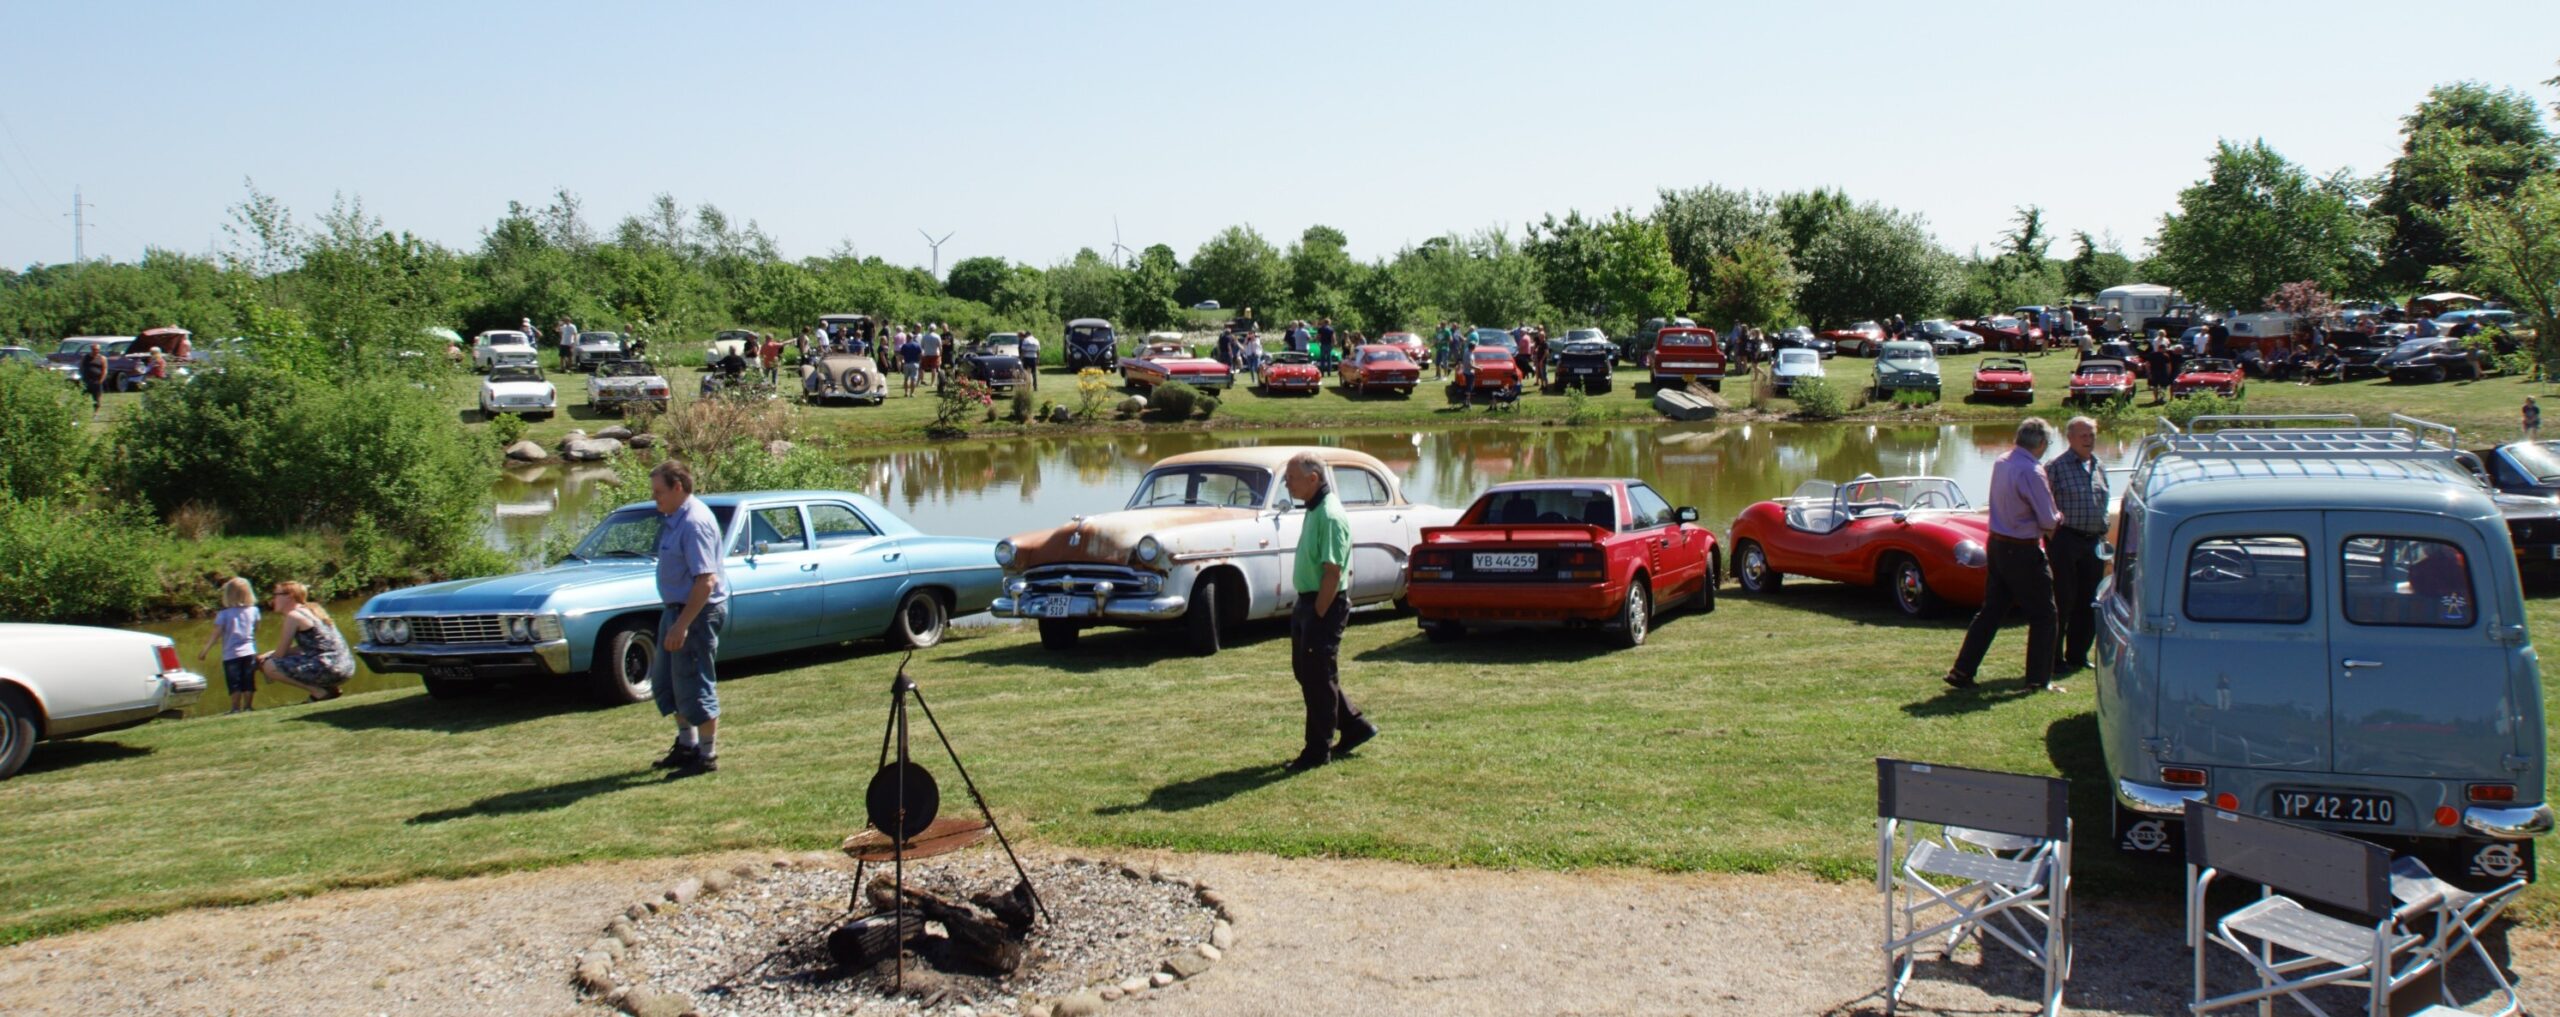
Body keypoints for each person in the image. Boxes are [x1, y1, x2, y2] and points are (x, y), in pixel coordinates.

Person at [1944, 418, 2064, 692]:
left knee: (1992, 611)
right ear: (2042, 443)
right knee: (2045, 614)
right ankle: (2038, 679)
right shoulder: (2033, 471)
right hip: (2022, 549)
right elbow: (2048, 519)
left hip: (1997, 545)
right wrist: (2059, 516)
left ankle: (1962, 670)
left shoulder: (2002, 461)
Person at [1281, 452, 1375, 772]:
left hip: (1323, 606)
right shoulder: (1315, 508)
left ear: (1313, 479)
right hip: (1307, 603)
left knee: (1317, 676)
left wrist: (1319, 613)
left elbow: (1332, 572)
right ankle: (1354, 726)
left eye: (1291, 478)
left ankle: (1317, 751)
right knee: (1309, 673)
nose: (1286, 483)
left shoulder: (1330, 515)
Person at [647, 459, 730, 775]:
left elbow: (705, 580)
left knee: (695, 683)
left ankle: (706, 756)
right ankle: (687, 745)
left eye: (659, 492)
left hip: (696, 614)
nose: (656, 499)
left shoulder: (695, 522)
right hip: (677, 612)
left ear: (677, 487)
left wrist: (683, 625)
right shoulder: (674, 519)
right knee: (669, 682)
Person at [2046, 417, 2107, 675]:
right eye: (2083, 435)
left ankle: (2078, 654)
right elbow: (2044, 505)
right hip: (2066, 540)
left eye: (2091, 435)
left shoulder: (2099, 465)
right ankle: (2054, 657)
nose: (2089, 440)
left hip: (2093, 542)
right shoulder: (2055, 467)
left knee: (2089, 600)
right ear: (2070, 438)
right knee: (2063, 600)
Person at [258, 581, 354, 702]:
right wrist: (269, 653)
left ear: (289, 596)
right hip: (346, 667)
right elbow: (309, 647)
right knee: (278, 660)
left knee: (270, 666)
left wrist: (263, 660)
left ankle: (319, 692)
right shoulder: (312, 609)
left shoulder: (294, 616)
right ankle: (330, 689)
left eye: (275, 594)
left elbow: (280, 655)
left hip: (331, 668)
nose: (273, 599)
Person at [196, 577, 261, 714]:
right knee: (249, 680)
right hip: (249, 651)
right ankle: (248, 706)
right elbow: (257, 628)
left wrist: (205, 650)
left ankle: (235, 708)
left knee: (234, 683)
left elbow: (216, 634)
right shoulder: (254, 611)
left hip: (231, 654)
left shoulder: (223, 614)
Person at [77, 344, 107, 415]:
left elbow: (104, 370)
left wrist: (101, 380)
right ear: (91, 349)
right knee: (83, 398)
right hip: (86, 381)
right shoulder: (85, 357)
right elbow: (81, 367)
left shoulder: (102, 358)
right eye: (94, 349)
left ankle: (95, 413)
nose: (96, 351)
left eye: (97, 349)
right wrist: (82, 376)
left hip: (96, 381)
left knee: (96, 399)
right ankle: (81, 413)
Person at [898, 331, 924, 396]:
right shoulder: (917, 345)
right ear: (912, 338)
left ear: (907, 338)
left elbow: (901, 356)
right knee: (913, 379)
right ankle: (912, 393)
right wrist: (919, 361)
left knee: (906, 379)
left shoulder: (904, 346)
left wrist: (902, 362)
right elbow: (921, 355)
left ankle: (906, 392)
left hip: (906, 364)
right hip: (915, 363)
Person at [919, 324, 943, 389]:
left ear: (929, 329)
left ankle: (921, 380)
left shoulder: (925, 336)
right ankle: (932, 383)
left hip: (926, 353)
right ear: (935, 329)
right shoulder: (937, 336)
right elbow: (940, 346)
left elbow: (922, 346)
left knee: (922, 368)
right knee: (934, 368)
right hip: (935, 354)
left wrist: (922, 354)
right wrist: (941, 355)